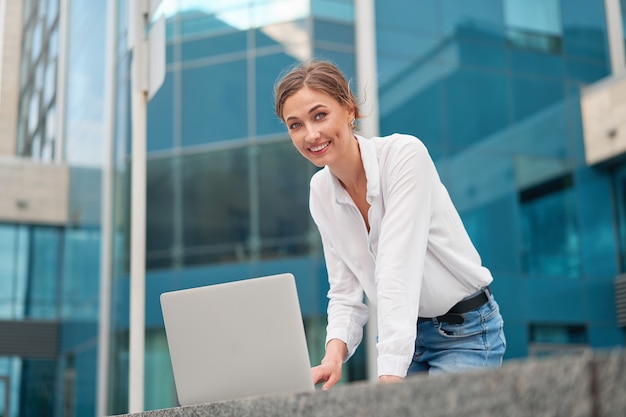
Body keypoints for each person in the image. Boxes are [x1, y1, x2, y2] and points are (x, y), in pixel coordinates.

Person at [273, 60, 506, 390]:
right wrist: (333, 355)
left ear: (349, 109)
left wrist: (390, 379)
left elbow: (397, 269)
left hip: (464, 331)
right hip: (404, 335)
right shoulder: (320, 193)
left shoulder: (403, 156)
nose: (311, 134)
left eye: (320, 115)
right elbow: (344, 291)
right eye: (295, 125)